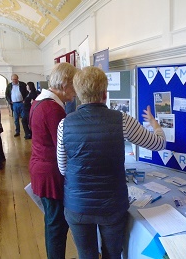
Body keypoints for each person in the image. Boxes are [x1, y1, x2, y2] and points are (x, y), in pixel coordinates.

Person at [56, 66, 166, 259]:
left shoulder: (65, 123)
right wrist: (156, 125)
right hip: (112, 205)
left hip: (77, 205)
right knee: (113, 254)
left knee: (86, 255)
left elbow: (63, 167)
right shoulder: (121, 119)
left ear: (79, 94)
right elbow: (157, 143)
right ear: (105, 94)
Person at [29, 63, 77, 259]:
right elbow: (62, 146)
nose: (76, 91)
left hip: (41, 167)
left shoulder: (40, 102)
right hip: (51, 171)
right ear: (65, 84)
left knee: (52, 220)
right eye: (75, 85)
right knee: (57, 224)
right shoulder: (52, 109)